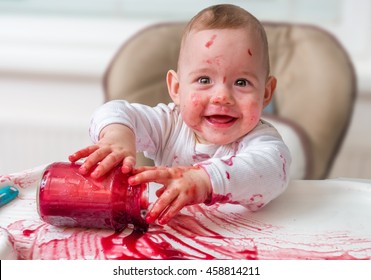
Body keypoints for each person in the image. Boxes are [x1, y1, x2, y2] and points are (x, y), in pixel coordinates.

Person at [69, 4, 291, 225]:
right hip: (173, 240)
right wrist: (118, 137)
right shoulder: (169, 125)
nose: (222, 97)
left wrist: (203, 181)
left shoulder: (262, 142)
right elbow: (115, 111)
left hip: (243, 243)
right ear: (176, 88)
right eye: (204, 80)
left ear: (266, 93)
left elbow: (272, 171)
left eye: (242, 82)